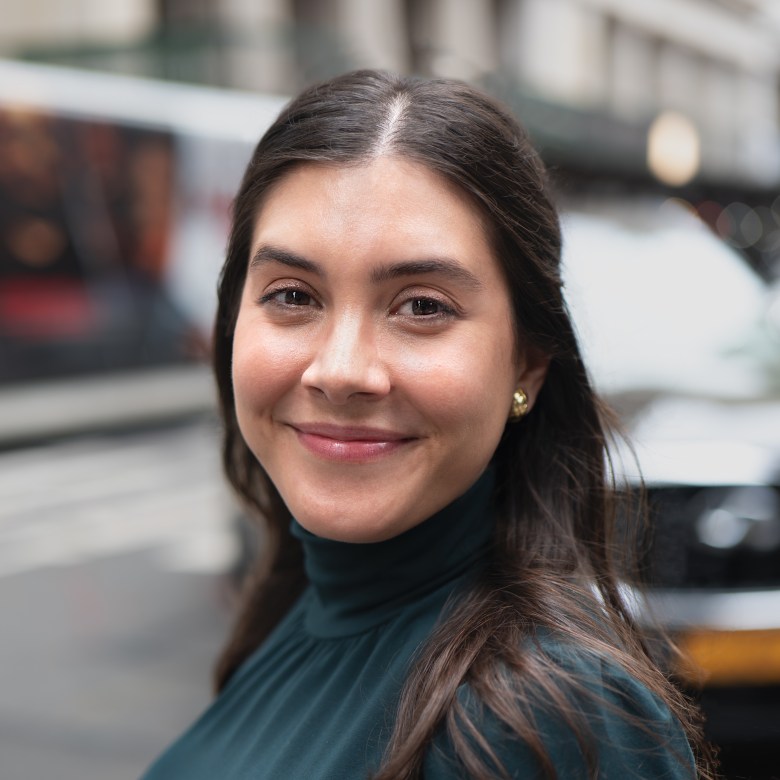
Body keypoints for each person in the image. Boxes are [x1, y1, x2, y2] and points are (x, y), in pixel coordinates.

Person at [142, 70, 716, 779]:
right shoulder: (293, 607)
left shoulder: (549, 723)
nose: (341, 369)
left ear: (528, 366)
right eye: (292, 295)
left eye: (422, 306)